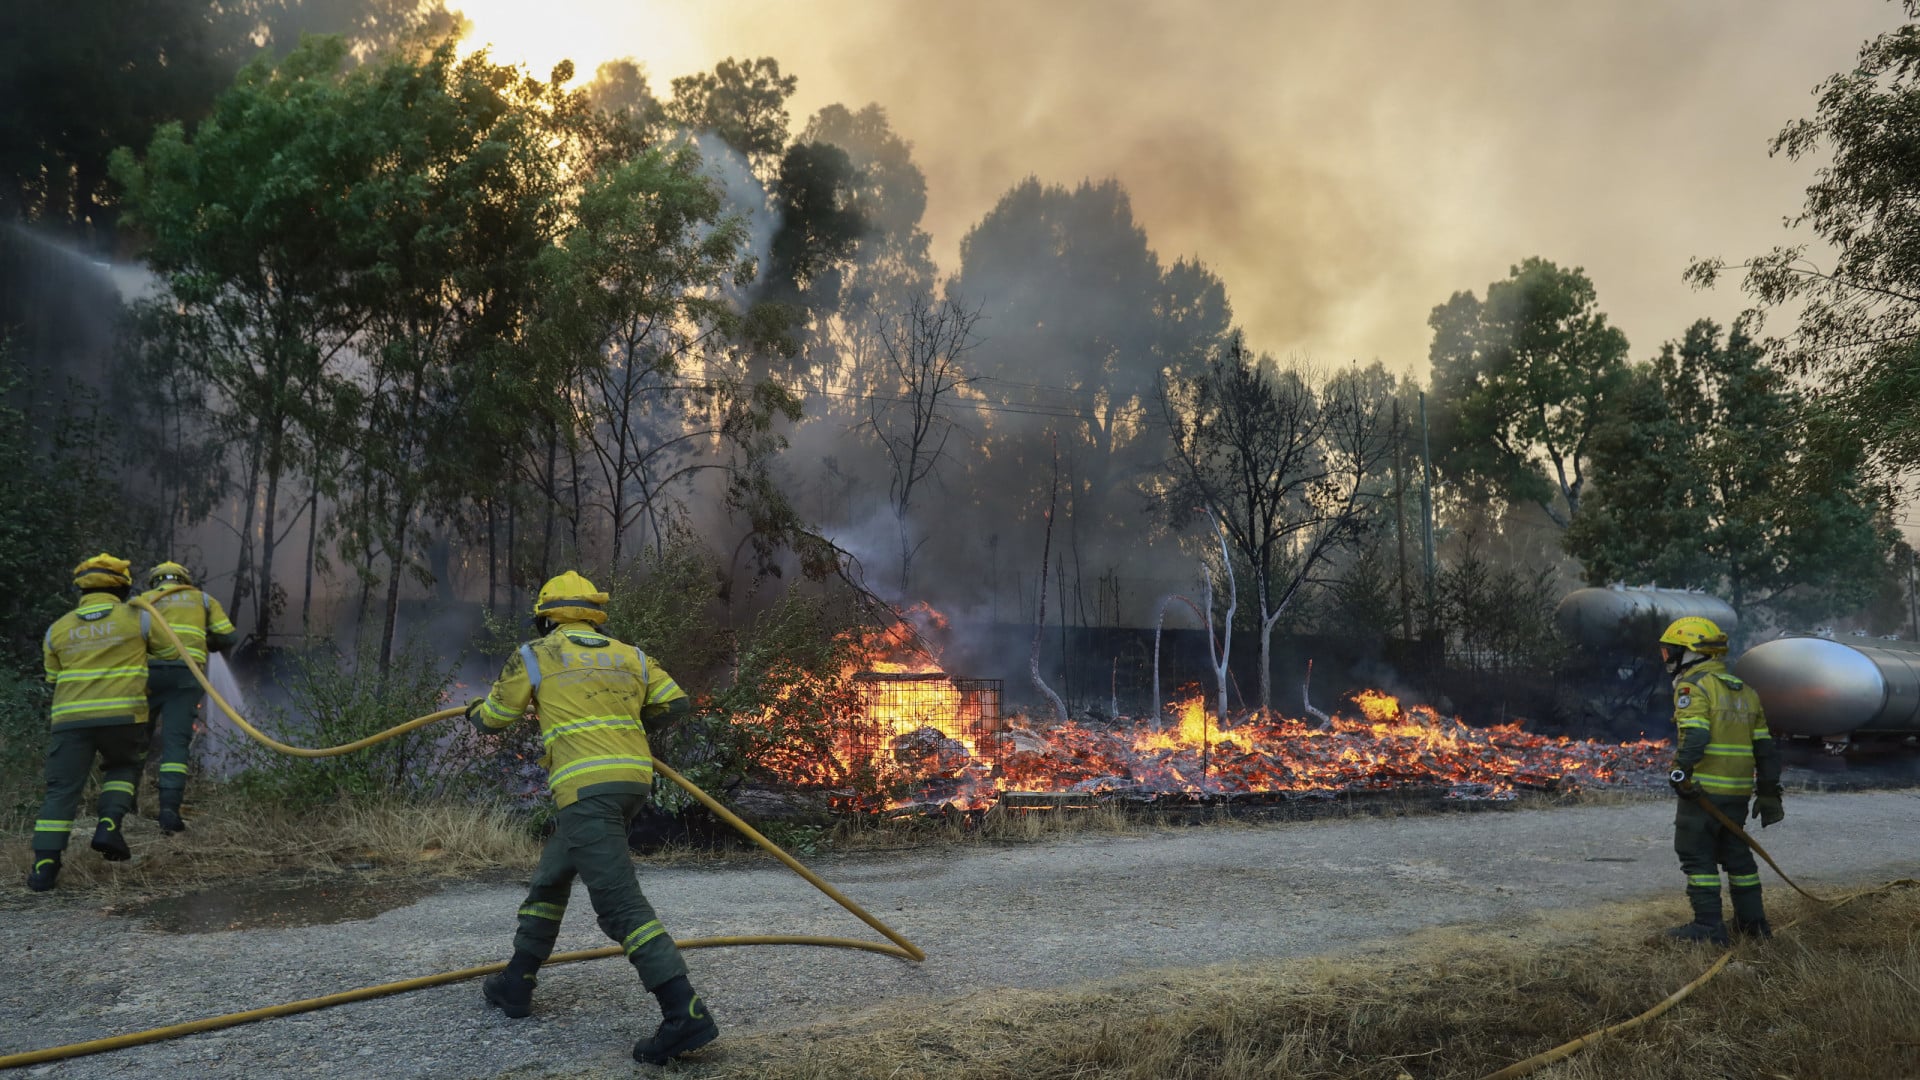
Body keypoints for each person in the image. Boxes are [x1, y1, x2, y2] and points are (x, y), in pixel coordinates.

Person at [466, 571, 717, 1065]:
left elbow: (495, 717)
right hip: (631, 785)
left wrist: (474, 711)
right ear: (595, 617)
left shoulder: (536, 655)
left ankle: (683, 1012)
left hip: (585, 791)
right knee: (552, 876)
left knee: (619, 904)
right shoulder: (630, 656)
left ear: (546, 618)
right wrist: (628, 725)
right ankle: (517, 980)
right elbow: (675, 702)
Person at [28, 554, 163, 891]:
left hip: (71, 720)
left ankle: (44, 867)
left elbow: (52, 676)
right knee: (123, 766)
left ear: (81, 589)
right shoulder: (140, 618)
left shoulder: (57, 629)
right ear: (124, 587)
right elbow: (168, 651)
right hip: (123, 716)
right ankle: (108, 825)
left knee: (61, 790)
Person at [1659, 616, 1782, 943]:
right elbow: (1766, 749)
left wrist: (1681, 770)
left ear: (1691, 653)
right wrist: (1769, 792)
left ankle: (1708, 927)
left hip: (1702, 791)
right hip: (1737, 793)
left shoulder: (1693, 687)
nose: (1667, 659)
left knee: (1695, 853)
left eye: (1671, 651)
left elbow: (1696, 735)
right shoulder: (1746, 692)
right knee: (1736, 854)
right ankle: (1753, 924)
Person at [138, 561, 238, 833]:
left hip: (146, 676)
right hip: (186, 676)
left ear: (155, 581)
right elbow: (228, 637)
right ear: (185, 580)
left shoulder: (142, 601)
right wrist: (207, 642)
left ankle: (123, 805)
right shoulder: (202, 600)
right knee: (175, 744)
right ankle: (169, 811)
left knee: (136, 740)